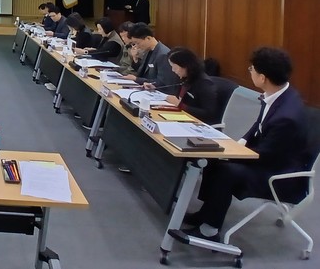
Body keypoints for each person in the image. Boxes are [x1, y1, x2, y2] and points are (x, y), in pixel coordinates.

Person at [182, 47, 310, 242]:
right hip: (270, 157)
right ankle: (205, 213)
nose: (250, 72)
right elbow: (258, 126)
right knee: (213, 158)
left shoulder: (286, 117)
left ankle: (210, 230)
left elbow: (266, 157)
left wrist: (231, 154)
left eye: (252, 69)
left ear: (263, 77)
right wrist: (238, 144)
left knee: (225, 170)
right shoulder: (278, 94)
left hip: (280, 174)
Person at [159, 47, 218, 124]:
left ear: (185, 66)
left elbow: (209, 114)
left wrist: (180, 105)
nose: (173, 70)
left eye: (175, 67)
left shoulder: (204, 83)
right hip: (181, 116)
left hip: (196, 122)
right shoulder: (185, 78)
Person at [123, 23, 180, 93]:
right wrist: (135, 58)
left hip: (158, 93)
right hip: (145, 90)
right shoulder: (148, 50)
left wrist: (137, 79)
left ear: (148, 38)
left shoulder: (163, 54)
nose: (137, 46)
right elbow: (142, 71)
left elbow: (162, 82)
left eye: (138, 43)